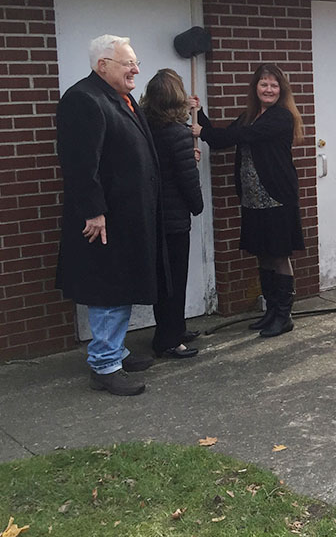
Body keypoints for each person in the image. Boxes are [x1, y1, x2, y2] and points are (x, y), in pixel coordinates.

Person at [55, 35, 162, 396]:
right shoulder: (83, 100)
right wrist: (94, 211)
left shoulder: (123, 98)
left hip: (128, 216)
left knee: (121, 285)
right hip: (104, 219)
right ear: (103, 66)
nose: (135, 70)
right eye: (127, 63)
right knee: (108, 290)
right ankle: (104, 367)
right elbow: (80, 164)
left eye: (136, 63)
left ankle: (115, 352)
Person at [193, 64, 305, 338]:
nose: (268, 89)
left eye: (274, 85)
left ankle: (284, 315)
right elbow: (222, 141)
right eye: (264, 84)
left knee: (279, 255)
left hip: (277, 197)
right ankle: (270, 311)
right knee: (263, 254)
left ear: (281, 90)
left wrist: (202, 131)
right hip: (253, 199)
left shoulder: (281, 117)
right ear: (256, 88)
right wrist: (200, 115)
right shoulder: (249, 116)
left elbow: (241, 137)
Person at [141, 69, 204, 359]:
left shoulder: (144, 128)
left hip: (153, 216)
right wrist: (197, 205)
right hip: (175, 219)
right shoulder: (178, 133)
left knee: (164, 280)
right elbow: (186, 179)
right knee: (175, 280)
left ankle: (174, 329)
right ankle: (168, 340)